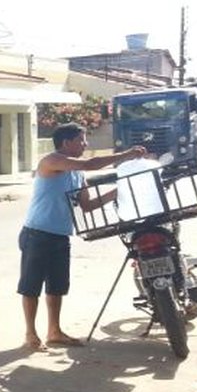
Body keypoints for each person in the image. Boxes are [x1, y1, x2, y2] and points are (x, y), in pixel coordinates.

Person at [18, 123, 147, 351]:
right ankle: (31, 334)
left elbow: (87, 205)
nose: (86, 144)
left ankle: (54, 331)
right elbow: (90, 164)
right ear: (66, 143)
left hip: (60, 235)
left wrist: (118, 191)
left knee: (57, 287)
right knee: (31, 286)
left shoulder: (76, 173)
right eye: (81, 139)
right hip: (37, 234)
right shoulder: (51, 161)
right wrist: (127, 154)